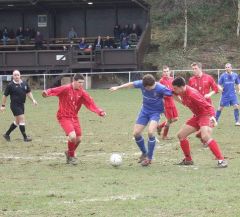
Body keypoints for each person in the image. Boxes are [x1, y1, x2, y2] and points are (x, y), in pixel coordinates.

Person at [42, 73, 106, 165]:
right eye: (80, 82)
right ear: (74, 81)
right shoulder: (65, 88)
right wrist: (46, 93)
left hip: (74, 117)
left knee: (78, 139)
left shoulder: (81, 92)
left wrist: (100, 111)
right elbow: (53, 90)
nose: (81, 85)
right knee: (72, 137)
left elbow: (90, 103)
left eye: (82, 83)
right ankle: (71, 156)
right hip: (63, 116)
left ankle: (69, 153)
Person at [110, 74, 172, 166]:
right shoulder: (142, 84)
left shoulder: (161, 88)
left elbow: (172, 94)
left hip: (156, 112)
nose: (149, 89)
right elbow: (130, 84)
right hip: (145, 111)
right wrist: (118, 87)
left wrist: (182, 101)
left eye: (151, 87)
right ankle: (144, 153)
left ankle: (149, 158)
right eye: (147, 88)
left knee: (151, 132)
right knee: (136, 133)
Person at [172, 76, 227, 168]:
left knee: (205, 136)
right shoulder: (181, 91)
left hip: (205, 115)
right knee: (181, 135)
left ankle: (221, 160)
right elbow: (172, 93)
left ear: (181, 87)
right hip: (197, 116)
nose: (174, 90)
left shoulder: (192, 94)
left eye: (175, 88)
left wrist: (213, 117)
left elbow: (208, 106)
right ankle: (188, 160)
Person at [0, 70, 37, 142]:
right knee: (22, 120)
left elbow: (28, 92)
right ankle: (25, 138)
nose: (16, 76)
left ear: (20, 75)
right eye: (15, 75)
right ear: (12, 76)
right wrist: (3, 106)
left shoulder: (24, 83)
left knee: (17, 122)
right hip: (14, 105)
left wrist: (33, 100)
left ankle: (7, 134)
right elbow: (4, 96)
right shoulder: (10, 85)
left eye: (18, 75)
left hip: (21, 105)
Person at [188, 62, 219, 142]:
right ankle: (202, 135)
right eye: (193, 69)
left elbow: (216, 89)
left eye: (196, 68)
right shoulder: (191, 80)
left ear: (200, 68)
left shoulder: (209, 78)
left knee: (211, 124)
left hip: (207, 105)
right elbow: (189, 92)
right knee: (200, 123)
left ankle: (203, 137)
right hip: (197, 107)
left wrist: (209, 94)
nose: (194, 70)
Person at [157, 66, 178, 139]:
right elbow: (159, 93)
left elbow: (175, 90)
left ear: (170, 71)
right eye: (164, 71)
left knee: (175, 118)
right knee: (169, 120)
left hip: (172, 101)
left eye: (167, 71)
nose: (166, 73)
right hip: (165, 102)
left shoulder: (172, 79)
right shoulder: (161, 81)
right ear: (162, 72)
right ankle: (164, 135)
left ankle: (160, 126)